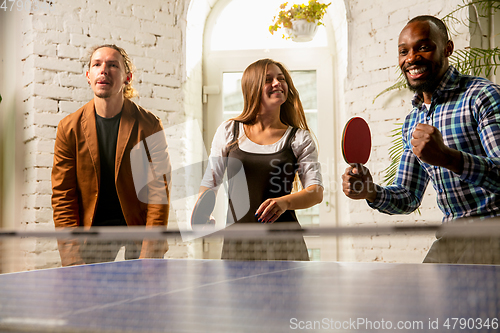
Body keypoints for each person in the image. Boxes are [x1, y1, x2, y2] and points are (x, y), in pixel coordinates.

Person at [342, 15, 500, 264]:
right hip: (451, 235)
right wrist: (371, 192)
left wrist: (448, 157)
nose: (411, 58)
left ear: (447, 48)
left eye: (423, 47)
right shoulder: (412, 122)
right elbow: (408, 196)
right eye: (403, 51)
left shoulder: (481, 96)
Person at [51, 44, 171, 266]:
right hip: (93, 230)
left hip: (139, 227)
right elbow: (63, 198)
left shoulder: (150, 125)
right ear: (89, 76)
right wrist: (72, 258)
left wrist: (149, 255)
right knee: (89, 299)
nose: (103, 70)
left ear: (128, 77)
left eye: (113, 65)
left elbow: (158, 195)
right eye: (97, 64)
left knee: (144, 299)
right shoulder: (68, 128)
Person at [197, 58, 323, 260]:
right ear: (252, 88)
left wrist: (284, 203)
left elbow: (315, 193)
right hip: (238, 245)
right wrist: (202, 214)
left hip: (286, 247)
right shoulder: (230, 131)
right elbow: (210, 182)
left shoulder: (299, 138)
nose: (277, 83)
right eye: (268, 79)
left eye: (281, 79)